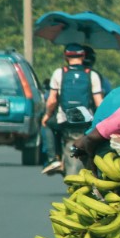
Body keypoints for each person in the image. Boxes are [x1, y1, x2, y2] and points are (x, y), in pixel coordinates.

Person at [41, 43, 104, 175]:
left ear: (66, 57)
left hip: (65, 120)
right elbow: (99, 102)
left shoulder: (59, 73)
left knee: (46, 125)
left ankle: (53, 158)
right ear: (83, 56)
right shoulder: (92, 75)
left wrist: (47, 115)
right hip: (86, 121)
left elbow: (52, 100)